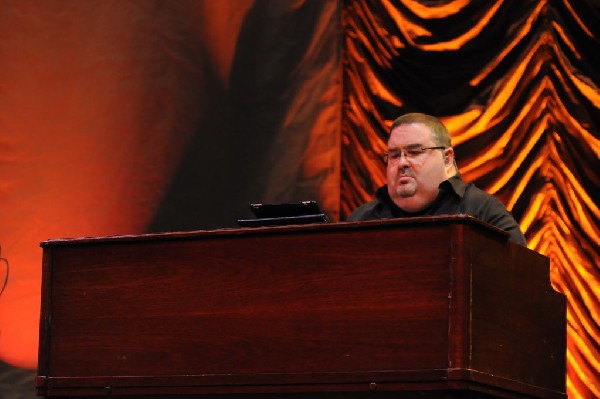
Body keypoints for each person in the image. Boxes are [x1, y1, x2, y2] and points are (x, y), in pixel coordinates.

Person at [347, 113, 526, 245]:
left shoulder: (481, 211)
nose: (402, 162)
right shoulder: (363, 218)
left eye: (415, 152)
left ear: (447, 159)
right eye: (394, 155)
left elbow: (520, 276)